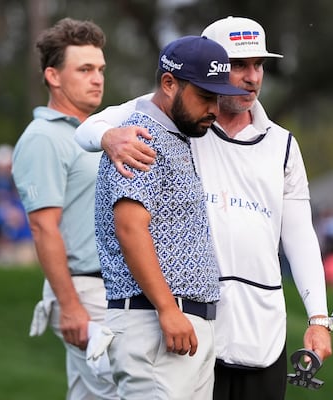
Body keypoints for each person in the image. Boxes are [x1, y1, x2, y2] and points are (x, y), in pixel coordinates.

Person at [76, 16, 333, 400]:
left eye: (258, 65)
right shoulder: (175, 121)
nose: (251, 77)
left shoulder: (281, 144)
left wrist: (318, 318)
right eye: (238, 65)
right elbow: (88, 130)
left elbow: (298, 234)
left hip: (258, 326)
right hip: (181, 323)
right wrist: (110, 137)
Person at [95, 35, 247, 399]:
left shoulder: (177, 136)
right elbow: (130, 227)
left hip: (181, 324)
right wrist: (167, 308)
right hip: (154, 322)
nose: (214, 108)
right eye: (205, 96)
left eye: (217, 97)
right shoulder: (141, 138)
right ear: (169, 83)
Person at [11, 18, 151, 399]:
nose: (97, 79)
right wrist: (69, 305)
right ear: (53, 76)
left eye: (101, 69)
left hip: (110, 287)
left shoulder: (98, 133)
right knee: (126, 392)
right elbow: (43, 229)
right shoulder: (43, 137)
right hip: (85, 290)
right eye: (85, 69)